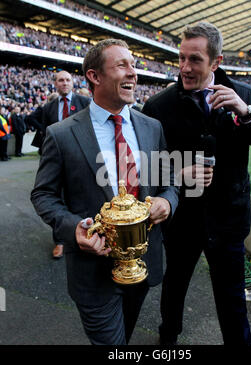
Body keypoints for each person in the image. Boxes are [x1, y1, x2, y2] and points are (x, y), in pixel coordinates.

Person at [142, 22, 251, 345]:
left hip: (229, 219)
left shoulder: (244, 94)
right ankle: (167, 340)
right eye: (181, 58)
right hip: (181, 220)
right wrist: (180, 173)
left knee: (232, 299)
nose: (184, 67)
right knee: (175, 286)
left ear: (216, 62)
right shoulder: (158, 106)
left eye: (194, 59)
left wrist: (246, 111)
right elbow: (143, 169)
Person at [31, 38, 179, 345]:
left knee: (123, 338)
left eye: (134, 66)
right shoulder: (60, 135)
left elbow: (170, 181)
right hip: (92, 274)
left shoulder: (152, 127)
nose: (133, 74)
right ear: (94, 77)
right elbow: (43, 195)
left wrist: (167, 200)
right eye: (122, 65)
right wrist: (75, 230)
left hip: (143, 266)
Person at [42, 71, 90, 258]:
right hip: (56, 162)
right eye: (61, 80)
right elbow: (46, 135)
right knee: (56, 199)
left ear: (73, 83)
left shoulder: (84, 103)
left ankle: (85, 233)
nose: (64, 83)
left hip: (80, 159)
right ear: (55, 84)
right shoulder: (49, 108)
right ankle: (60, 241)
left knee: (79, 197)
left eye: (68, 80)